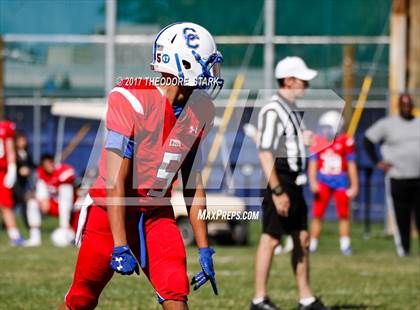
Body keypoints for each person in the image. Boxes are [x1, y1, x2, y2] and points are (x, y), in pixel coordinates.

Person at [59, 22, 223, 310]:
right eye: (205, 63)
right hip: (110, 213)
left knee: (175, 292)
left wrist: (204, 246)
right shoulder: (131, 99)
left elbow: (193, 184)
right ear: (181, 62)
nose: (212, 71)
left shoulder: (201, 109)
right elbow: (115, 180)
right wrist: (120, 242)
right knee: (81, 300)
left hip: (157, 214)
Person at [251, 57, 328, 310]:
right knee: (271, 239)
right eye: (302, 79)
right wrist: (277, 190)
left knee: (302, 237)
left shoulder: (291, 109)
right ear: (288, 80)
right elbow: (265, 152)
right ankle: (259, 299)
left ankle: (306, 299)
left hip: (294, 181)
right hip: (280, 179)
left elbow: (286, 142)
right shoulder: (273, 109)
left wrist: (303, 139)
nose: (306, 84)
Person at [364, 93, 420, 256]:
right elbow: (367, 140)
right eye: (403, 104)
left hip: (418, 177)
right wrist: (377, 162)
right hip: (398, 177)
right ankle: (404, 250)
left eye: (409, 104)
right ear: (398, 106)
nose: (406, 107)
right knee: (402, 216)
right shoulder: (387, 124)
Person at [308, 111, 359, 256]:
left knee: (343, 214)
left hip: (340, 181)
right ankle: (312, 245)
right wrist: (312, 181)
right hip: (323, 180)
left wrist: (354, 185)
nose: (324, 130)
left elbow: (351, 165)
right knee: (317, 213)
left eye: (327, 127)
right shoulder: (318, 141)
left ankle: (345, 245)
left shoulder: (345, 141)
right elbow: (312, 163)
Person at [24, 154, 76, 247]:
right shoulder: (41, 173)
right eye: (46, 164)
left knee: (65, 188)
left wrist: (56, 180)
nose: (49, 166)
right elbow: (41, 189)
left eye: (50, 163)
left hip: (71, 207)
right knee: (32, 203)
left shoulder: (63, 170)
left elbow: (70, 175)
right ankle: (35, 238)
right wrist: (42, 198)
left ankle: (64, 230)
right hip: (53, 205)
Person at [0, 119, 24, 245]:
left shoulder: (5, 127)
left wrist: (12, 168)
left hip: (1, 170)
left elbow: (10, 149)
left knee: (6, 203)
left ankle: (14, 236)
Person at [13, 131, 35, 228]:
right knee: (22, 201)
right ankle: (28, 225)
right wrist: (19, 171)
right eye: (20, 140)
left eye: (24, 140)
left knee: (16, 203)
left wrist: (28, 169)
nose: (23, 142)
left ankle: (7, 225)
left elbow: (33, 165)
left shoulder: (26, 153)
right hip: (14, 183)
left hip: (23, 184)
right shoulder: (13, 153)